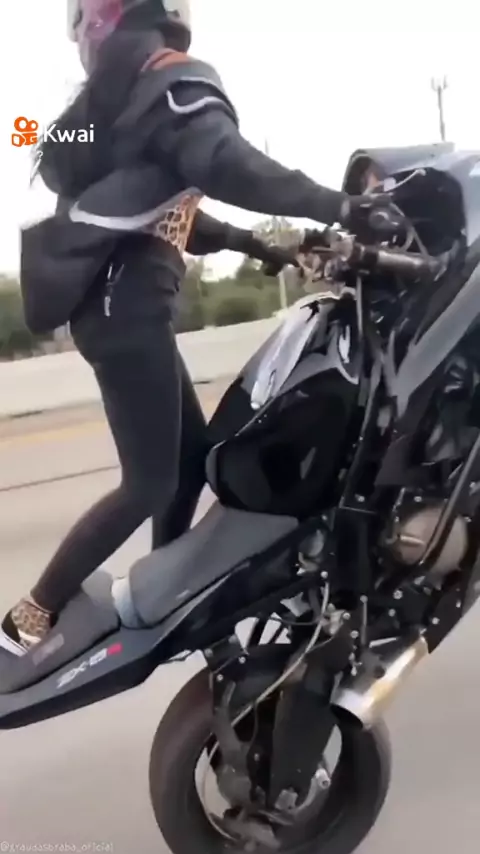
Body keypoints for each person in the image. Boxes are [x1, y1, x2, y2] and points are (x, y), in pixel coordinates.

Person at [0, 0, 394, 657]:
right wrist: (345, 206)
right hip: (126, 313)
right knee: (150, 481)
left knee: (191, 465)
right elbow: (226, 163)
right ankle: (27, 620)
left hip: (121, 311)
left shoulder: (133, 99)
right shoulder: (172, 83)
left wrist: (259, 243)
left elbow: (175, 208)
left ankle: (170, 596)